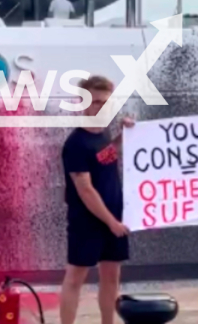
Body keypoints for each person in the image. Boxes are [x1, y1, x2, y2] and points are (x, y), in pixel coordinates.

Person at [60, 75, 134, 324]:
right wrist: (111, 222)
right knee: (75, 279)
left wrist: (123, 136)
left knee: (112, 276)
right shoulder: (75, 144)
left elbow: (105, 157)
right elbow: (85, 190)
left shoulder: (103, 134)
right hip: (87, 221)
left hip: (113, 215)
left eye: (106, 103)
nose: (102, 107)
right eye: (97, 102)